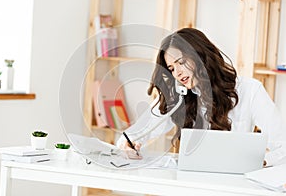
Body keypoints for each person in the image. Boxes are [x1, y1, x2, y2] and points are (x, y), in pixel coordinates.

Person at [117, 28, 286, 166]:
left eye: (181, 62)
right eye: (172, 68)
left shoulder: (250, 90)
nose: (178, 73)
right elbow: (132, 135)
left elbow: (283, 147)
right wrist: (128, 145)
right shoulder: (179, 95)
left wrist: (259, 162)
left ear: (201, 55)